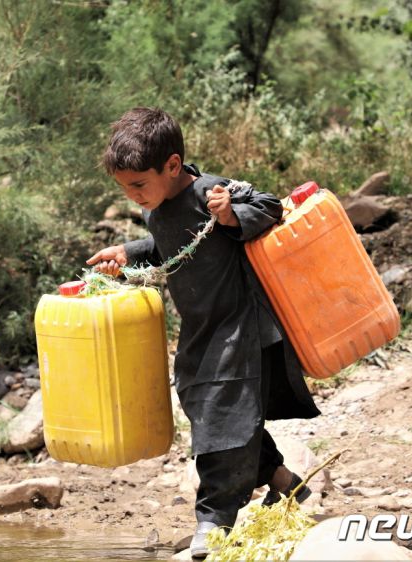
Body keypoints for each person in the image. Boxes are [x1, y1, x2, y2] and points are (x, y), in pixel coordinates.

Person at [87, 107, 320, 559]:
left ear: (172, 166)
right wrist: (128, 252)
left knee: (222, 419)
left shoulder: (206, 190)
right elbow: (168, 247)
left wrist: (232, 214)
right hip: (203, 331)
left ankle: (213, 521)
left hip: (240, 326)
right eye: (124, 189)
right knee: (201, 405)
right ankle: (284, 483)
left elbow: (270, 206)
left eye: (138, 185)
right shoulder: (159, 207)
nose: (134, 197)